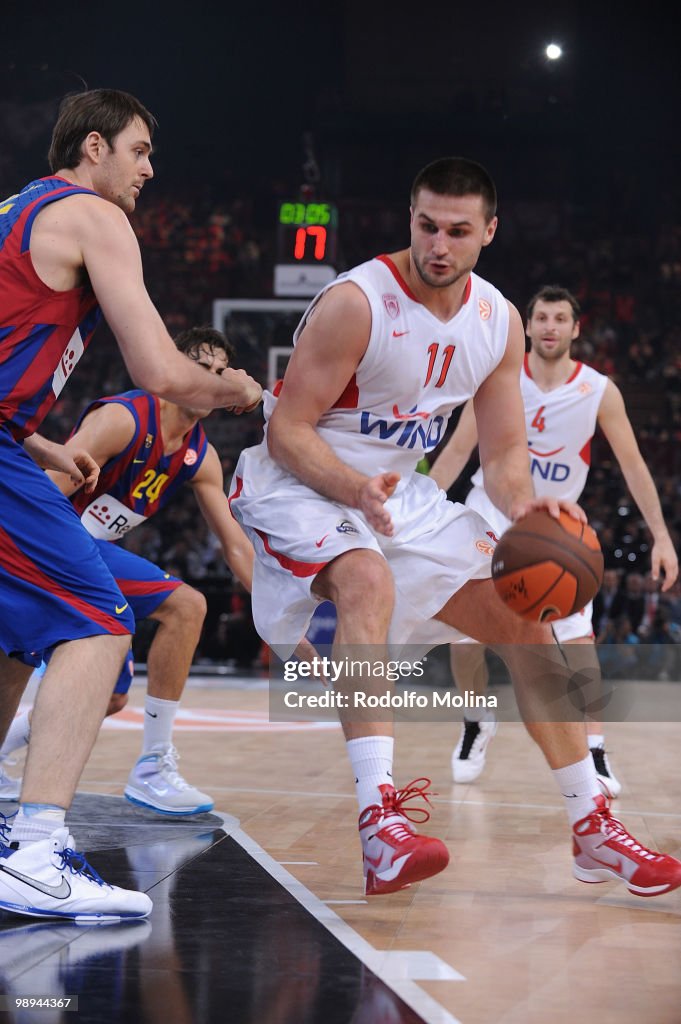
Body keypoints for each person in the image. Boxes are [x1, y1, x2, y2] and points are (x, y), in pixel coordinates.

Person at [230, 158, 681, 898]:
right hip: (302, 483)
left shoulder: (496, 321)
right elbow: (287, 431)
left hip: (394, 493)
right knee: (365, 576)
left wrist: (527, 503)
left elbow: (504, 452)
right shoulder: (356, 303)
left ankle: (590, 825)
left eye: (457, 231)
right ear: (410, 219)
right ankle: (379, 825)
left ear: (488, 233)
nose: (438, 244)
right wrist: (352, 488)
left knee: (522, 616)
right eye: (426, 226)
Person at [0, 89, 262, 921]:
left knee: (15, 635)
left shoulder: (18, 209)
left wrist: (36, 437)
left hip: (11, 441)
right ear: (91, 148)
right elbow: (158, 367)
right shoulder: (92, 216)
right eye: (139, 150)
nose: (149, 169)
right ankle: (39, 850)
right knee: (100, 619)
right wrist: (233, 390)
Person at [429, 285, 678, 793]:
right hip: (489, 514)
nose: (548, 326)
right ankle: (476, 720)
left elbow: (634, 466)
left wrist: (661, 536)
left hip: (556, 529)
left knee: (578, 642)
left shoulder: (598, 390)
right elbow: (457, 452)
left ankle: (595, 750)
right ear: (526, 325)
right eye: (541, 317)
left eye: (559, 318)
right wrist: (417, 509)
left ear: (575, 328)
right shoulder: (500, 380)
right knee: (464, 638)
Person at [0, 326, 255, 816]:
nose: (211, 379)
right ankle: (153, 767)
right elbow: (46, 494)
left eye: (221, 373)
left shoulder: (202, 457)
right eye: (199, 368)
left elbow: (235, 546)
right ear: (172, 369)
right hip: (48, 544)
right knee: (188, 606)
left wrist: (277, 615)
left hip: (90, 557)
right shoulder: (123, 418)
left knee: (107, 699)